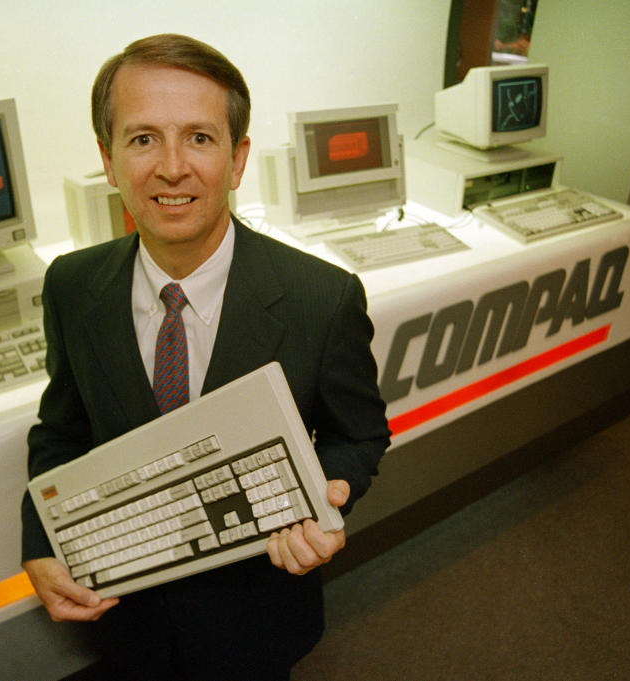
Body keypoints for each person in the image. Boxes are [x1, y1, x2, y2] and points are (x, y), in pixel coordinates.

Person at [21, 33, 391, 681]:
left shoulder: (321, 298)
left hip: (257, 614)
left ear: (238, 158)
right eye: (142, 139)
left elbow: (359, 433)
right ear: (108, 161)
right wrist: (40, 543)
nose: (171, 167)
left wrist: (325, 496)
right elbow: (62, 433)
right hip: (127, 614)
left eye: (199, 137)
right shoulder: (72, 286)